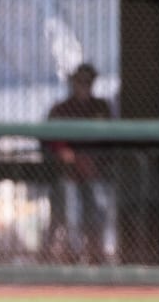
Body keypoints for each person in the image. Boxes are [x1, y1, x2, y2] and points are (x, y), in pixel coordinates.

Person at [44, 63, 117, 265]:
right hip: (70, 174)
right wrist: (65, 153)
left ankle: (100, 255)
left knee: (100, 213)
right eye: (80, 81)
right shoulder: (61, 108)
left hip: (95, 172)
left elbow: (109, 140)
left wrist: (95, 160)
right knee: (71, 216)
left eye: (88, 81)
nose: (84, 85)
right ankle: (76, 258)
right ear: (73, 83)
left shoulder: (100, 107)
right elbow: (50, 139)